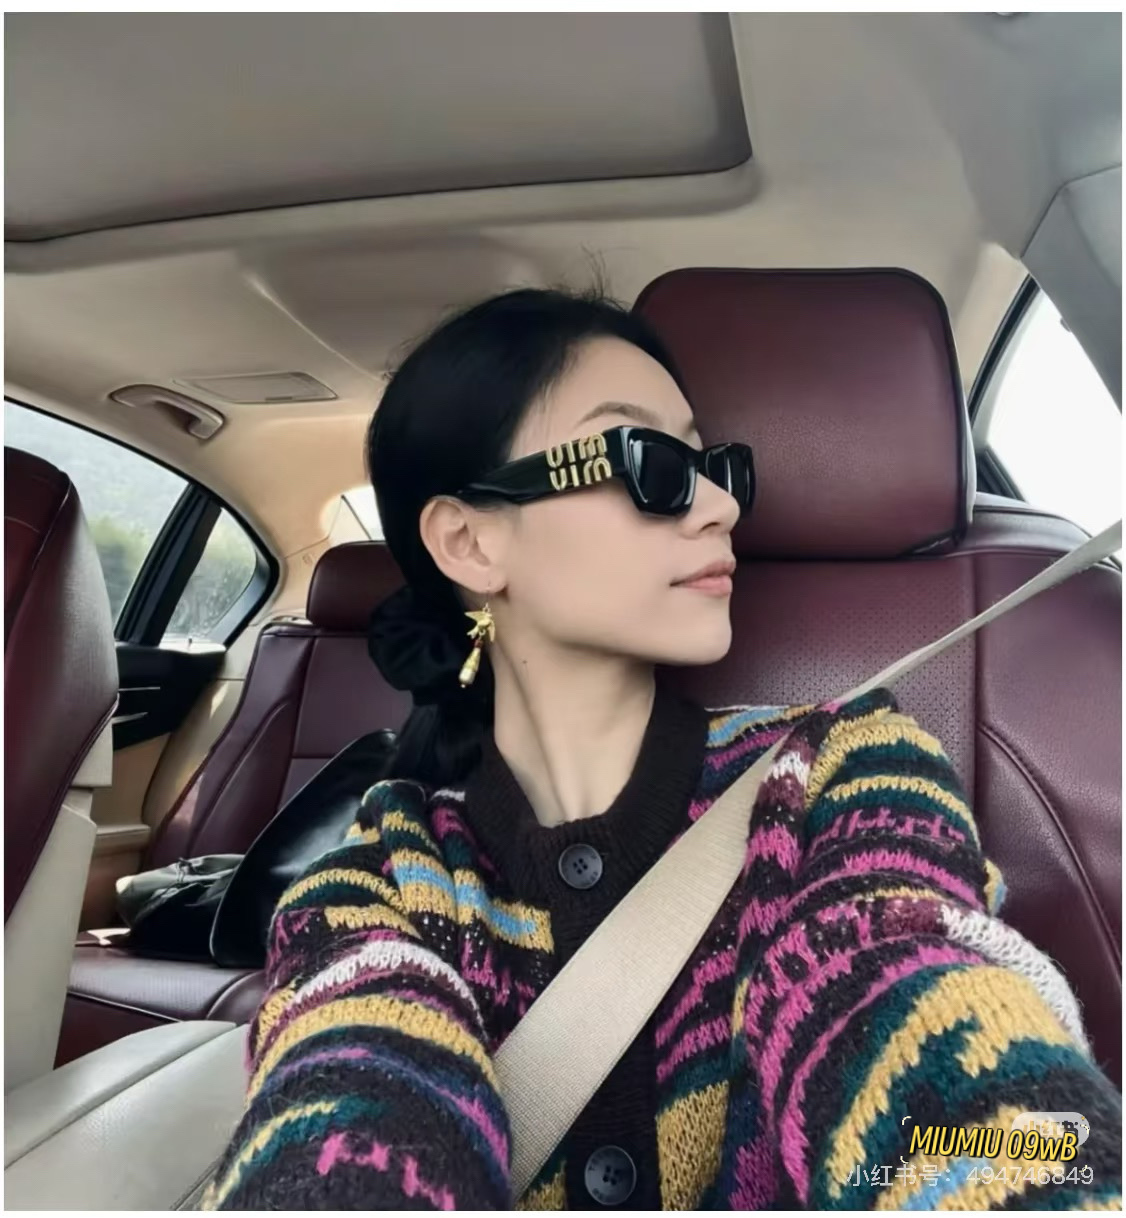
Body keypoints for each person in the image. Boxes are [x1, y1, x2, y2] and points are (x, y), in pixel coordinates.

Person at [204, 288, 1120, 1210]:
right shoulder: (381, 879)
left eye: (717, 467)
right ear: (470, 541)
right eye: (651, 461)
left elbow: (915, 1020)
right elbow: (347, 1103)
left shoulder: (843, 773)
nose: (720, 505)